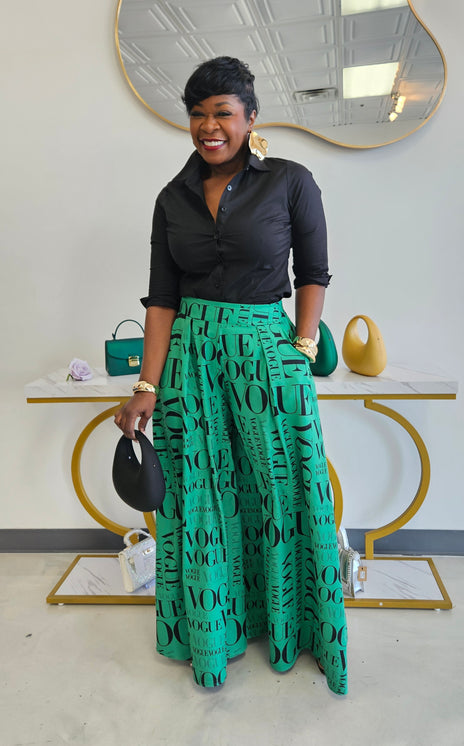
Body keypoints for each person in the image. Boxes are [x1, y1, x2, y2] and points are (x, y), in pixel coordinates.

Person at [114, 56, 348, 695]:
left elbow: (314, 272)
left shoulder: (290, 181)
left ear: (249, 117)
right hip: (191, 360)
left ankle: (291, 623)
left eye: (222, 113)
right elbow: (162, 299)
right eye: (198, 114)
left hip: (267, 353)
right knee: (201, 493)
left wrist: (301, 347)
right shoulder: (172, 198)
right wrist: (146, 386)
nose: (208, 126)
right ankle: (213, 630)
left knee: (282, 488)